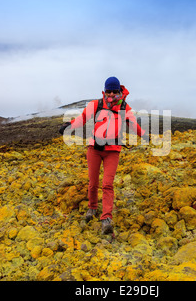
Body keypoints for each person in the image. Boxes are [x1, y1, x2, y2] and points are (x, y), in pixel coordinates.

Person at [59, 76, 148, 234]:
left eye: (115, 91)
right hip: (94, 149)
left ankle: (106, 218)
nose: (112, 94)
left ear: (119, 91)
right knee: (93, 183)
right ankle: (92, 208)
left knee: (107, 184)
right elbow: (82, 119)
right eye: (109, 91)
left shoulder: (124, 108)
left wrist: (146, 136)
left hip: (112, 151)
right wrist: (69, 126)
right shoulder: (96, 104)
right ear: (104, 91)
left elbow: (134, 126)